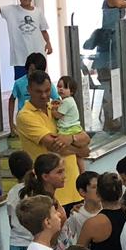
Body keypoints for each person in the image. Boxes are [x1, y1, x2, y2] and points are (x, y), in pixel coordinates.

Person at [17, 69, 88, 208]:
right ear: (29, 90)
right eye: (38, 91)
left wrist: (71, 138)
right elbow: (54, 146)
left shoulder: (56, 108)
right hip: (50, 196)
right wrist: (80, 150)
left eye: (47, 90)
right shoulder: (25, 116)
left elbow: (85, 138)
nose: (44, 96)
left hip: (75, 189)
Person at [7, 51, 60, 132]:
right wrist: (11, 123)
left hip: (43, 119)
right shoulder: (19, 83)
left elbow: (57, 100)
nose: (34, 74)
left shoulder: (46, 83)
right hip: (26, 119)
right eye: (32, 70)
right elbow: (12, 100)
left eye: (37, 72)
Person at [5, 148, 34, 250]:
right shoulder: (37, 190)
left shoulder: (12, 193)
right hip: (34, 243)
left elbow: (10, 220)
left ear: (12, 173)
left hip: (17, 244)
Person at [63, 168, 100, 245]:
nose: (99, 190)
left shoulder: (108, 208)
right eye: (94, 187)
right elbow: (65, 239)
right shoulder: (76, 215)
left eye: (101, 186)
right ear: (82, 192)